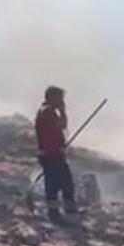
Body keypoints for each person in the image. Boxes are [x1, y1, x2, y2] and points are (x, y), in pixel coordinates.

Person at [35, 86, 77, 224]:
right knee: (63, 183)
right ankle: (61, 214)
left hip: (49, 154)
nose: (61, 101)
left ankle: (58, 213)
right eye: (60, 98)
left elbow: (60, 128)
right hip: (52, 154)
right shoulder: (48, 113)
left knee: (58, 183)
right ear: (52, 97)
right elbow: (61, 126)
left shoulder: (47, 112)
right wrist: (63, 112)